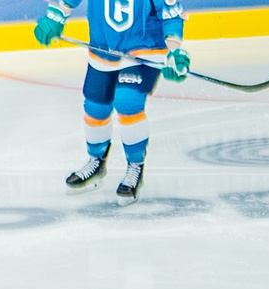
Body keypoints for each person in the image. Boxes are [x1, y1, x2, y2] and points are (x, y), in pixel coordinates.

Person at [32, 0, 187, 200]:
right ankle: (96, 162)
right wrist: (57, 14)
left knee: (127, 101)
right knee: (95, 107)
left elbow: (170, 12)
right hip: (103, 49)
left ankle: (135, 167)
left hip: (143, 50)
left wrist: (174, 51)